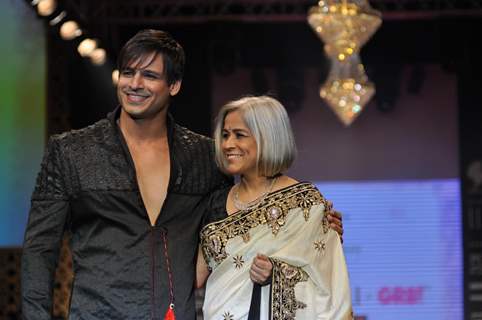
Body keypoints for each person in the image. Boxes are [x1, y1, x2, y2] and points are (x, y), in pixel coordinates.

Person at [21, 29, 344, 319]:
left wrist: (313, 227)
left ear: (173, 85)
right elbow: (39, 249)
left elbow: (238, 225)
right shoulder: (71, 151)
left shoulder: (205, 156)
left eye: (149, 75)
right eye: (129, 72)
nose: (135, 84)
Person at [197, 96, 353, 319]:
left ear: (267, 138)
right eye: (225, 135)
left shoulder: (304, 203)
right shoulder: (214, 203)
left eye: (239, 135)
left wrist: (276, 274)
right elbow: (195, 278)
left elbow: (329, 286)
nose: (227, 144)